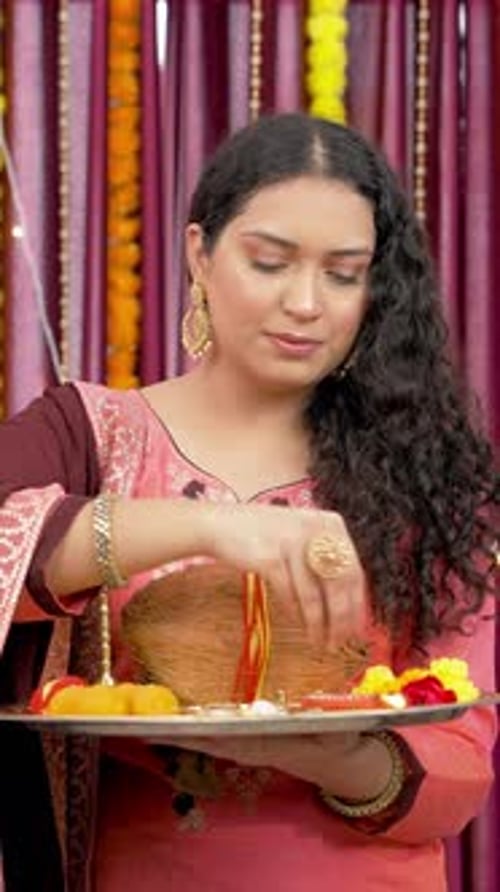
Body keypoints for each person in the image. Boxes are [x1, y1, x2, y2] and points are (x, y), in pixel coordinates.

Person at [0, 112, 498, 892]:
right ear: (199, 252)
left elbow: (462, 769)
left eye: (343, 274)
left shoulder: (427, 472)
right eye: (269, 262)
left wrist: (329, 754)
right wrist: (209, 525)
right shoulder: (87, 431)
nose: (306, 302)